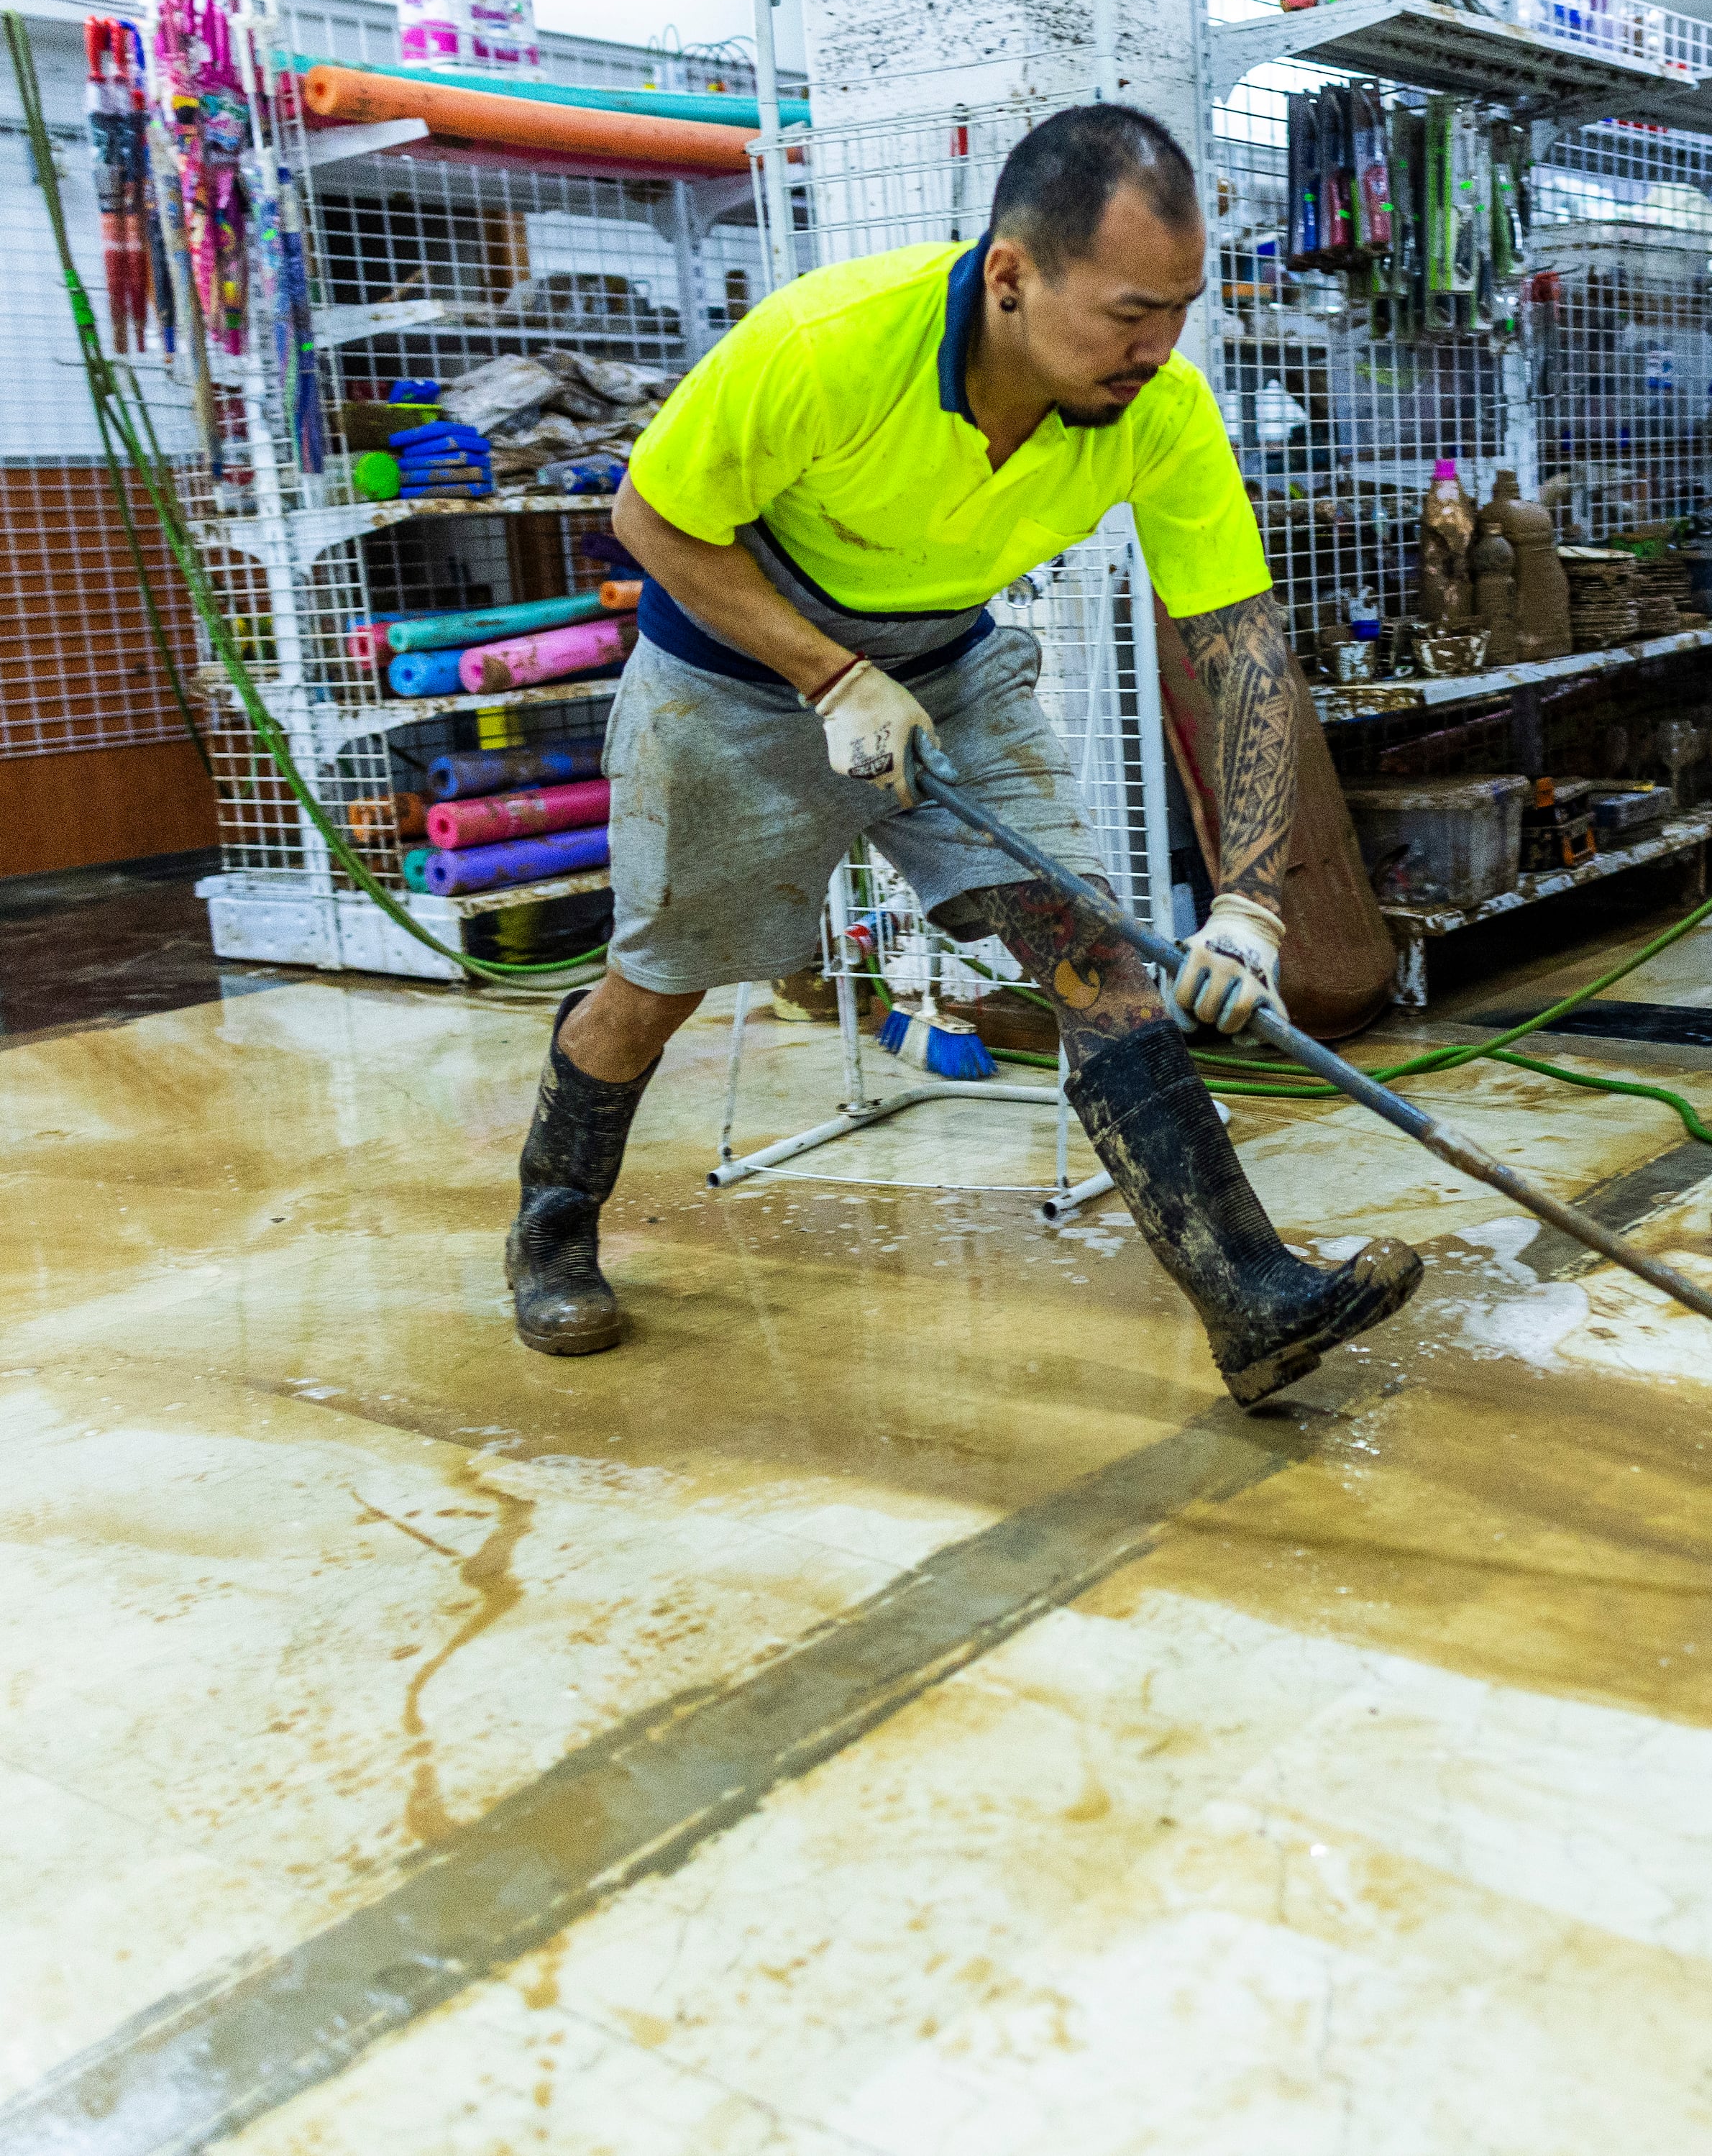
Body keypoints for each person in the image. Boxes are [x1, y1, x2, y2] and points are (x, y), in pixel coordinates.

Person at [505, 103, 1421, 1404]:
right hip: (736, 673)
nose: (1159, 348)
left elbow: (1244, 649)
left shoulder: (1159, 409)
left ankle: (1251, 1295)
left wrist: (1254, 902)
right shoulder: (827, 345)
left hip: (947, 665)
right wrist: (827, 672)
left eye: (1181, 309)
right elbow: (649, 519)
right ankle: (551, 1221)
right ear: (1010, 276)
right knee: (657, 980)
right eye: (1125, 312)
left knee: (1098, 952)